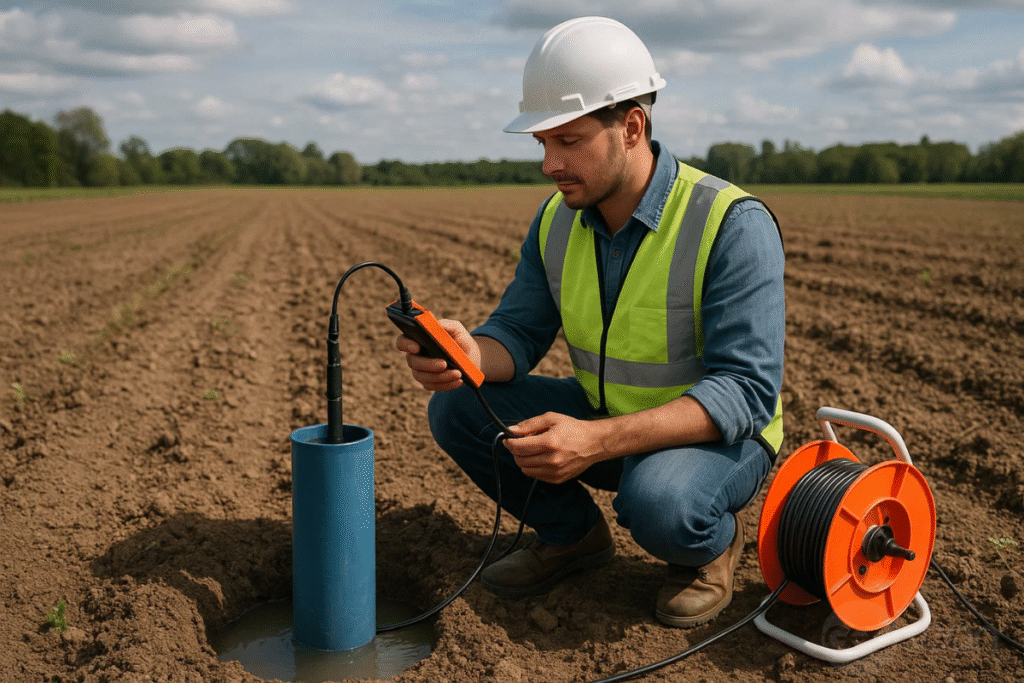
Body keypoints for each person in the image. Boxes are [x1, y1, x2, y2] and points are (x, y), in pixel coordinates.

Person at [396, 15, 785, 629]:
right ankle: (573, 537)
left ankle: (711, 548)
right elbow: (518, 334)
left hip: (717, 440)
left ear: (632, 127)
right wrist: (467, 352)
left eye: (569, 141)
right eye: (543, 144)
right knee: (459, 407)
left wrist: (594, 441)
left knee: (659, 500)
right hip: (608, 413)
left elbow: (746, 393)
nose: (550, 163)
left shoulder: (731, 224)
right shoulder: (556, 220)